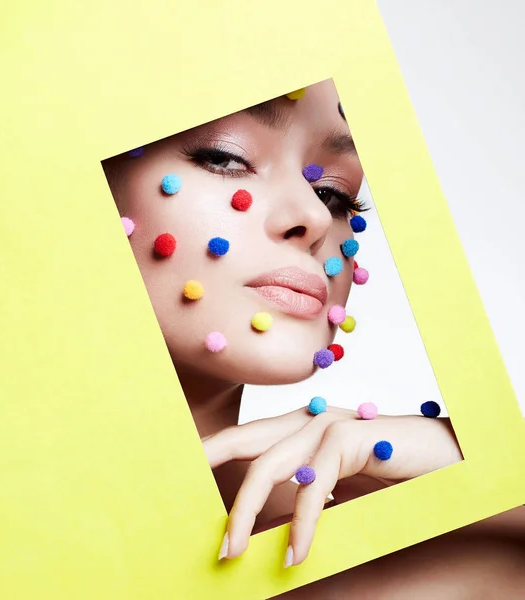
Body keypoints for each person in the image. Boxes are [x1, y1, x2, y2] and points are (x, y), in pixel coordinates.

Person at [103, 80, 525, 598]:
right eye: (224, 157)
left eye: (334, 193)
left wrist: (496, 479)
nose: (315, 215)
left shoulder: (439, 563)